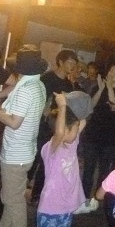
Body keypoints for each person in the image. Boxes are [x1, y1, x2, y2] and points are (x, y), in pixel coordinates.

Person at [0, 45, 48, 227]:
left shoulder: (25, 89)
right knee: (11, 197)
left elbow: (13, 122)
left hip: (16, 153)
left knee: (14, 202)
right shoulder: (36, 84)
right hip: (24, 151)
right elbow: (12, 89)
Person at [26, 91, 91, 227]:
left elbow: (83, 119)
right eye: (74, 128)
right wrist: (62, 106)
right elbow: (60, 132)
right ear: (64, 130)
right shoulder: (51, 149)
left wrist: (71, 101)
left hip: (64, 211)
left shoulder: (72, 144)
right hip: (50, 212)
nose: (78, 130)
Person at [77, 63, 115, 214]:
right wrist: (101, 89)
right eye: (110, 70)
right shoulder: (99, 86)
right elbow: (91, 106)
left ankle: (97, 199)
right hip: (92, 134)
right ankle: (83, 199)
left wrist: (108, 88)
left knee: (103, 169)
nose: (112, 73)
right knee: (88, 168)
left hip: (110, 137)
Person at [29, 49, 78, 203]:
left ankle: (37, 195)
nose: (72, 66)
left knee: (48, 161)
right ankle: (23, 184)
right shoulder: (47, 79)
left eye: (74, 63)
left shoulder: (68, 84)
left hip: (56, 127)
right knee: (35, 157)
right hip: (42, 125)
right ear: (60, 62)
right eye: (70, 62)